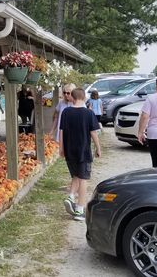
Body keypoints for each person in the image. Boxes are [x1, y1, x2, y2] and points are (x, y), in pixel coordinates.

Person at [59, 88, 102, 221]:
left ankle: (71, 196)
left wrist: (61, 148)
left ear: (72, 97)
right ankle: (79, 209)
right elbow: (93, 133)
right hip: (83, 151)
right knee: (83, 179)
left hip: (69, 150)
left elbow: (61, 131)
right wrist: (98, 148)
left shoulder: (66, 112)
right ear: (83, 98)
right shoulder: (89, 113)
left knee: (76, 175)